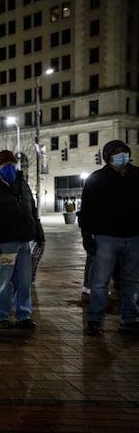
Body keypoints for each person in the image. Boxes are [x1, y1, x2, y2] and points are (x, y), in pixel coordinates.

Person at [77, 139, 139, 336]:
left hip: (134, 236)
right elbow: (86, 209)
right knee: (100, 281)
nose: (122, 155)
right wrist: (87, 235)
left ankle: (129, 319)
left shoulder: (137, 175)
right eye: (117, 152)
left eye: (124, 151)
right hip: (106, 237)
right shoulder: (97, 178)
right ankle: (95, 319)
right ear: (108, 156)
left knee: (131, 281)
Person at [0, 150, 44, 330]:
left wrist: (37, 230)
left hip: (23, 241)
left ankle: (23, 315)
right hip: (3, 243)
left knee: (23, 281)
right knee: (1, 281)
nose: (10, 167)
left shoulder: (22, 184)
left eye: (12, 163)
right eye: (5, 164)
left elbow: (31, 208)